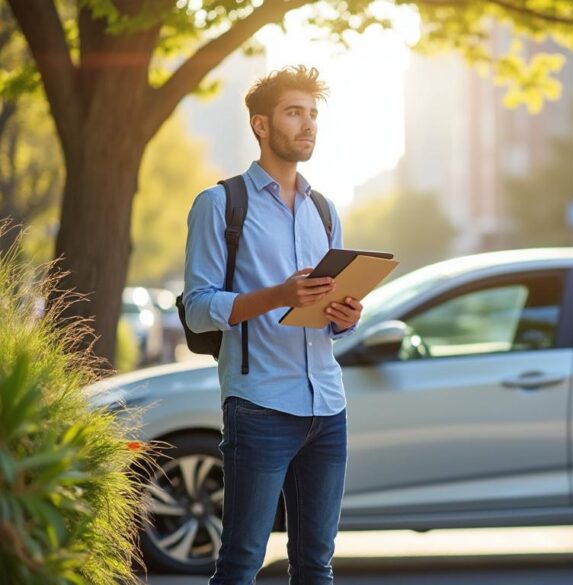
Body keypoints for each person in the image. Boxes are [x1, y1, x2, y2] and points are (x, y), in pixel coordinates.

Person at [182, 65, 362, 584]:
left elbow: (326, 316)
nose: (307, 125)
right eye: (293, 113)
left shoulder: (325, 211)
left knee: (316, 565)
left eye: (312, 115)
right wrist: (278, 295)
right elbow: (198, 305)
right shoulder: (220, 204)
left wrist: (345, 317)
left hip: (327, 406)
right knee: (240, 565)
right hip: (259, 405)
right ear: (261, 125)